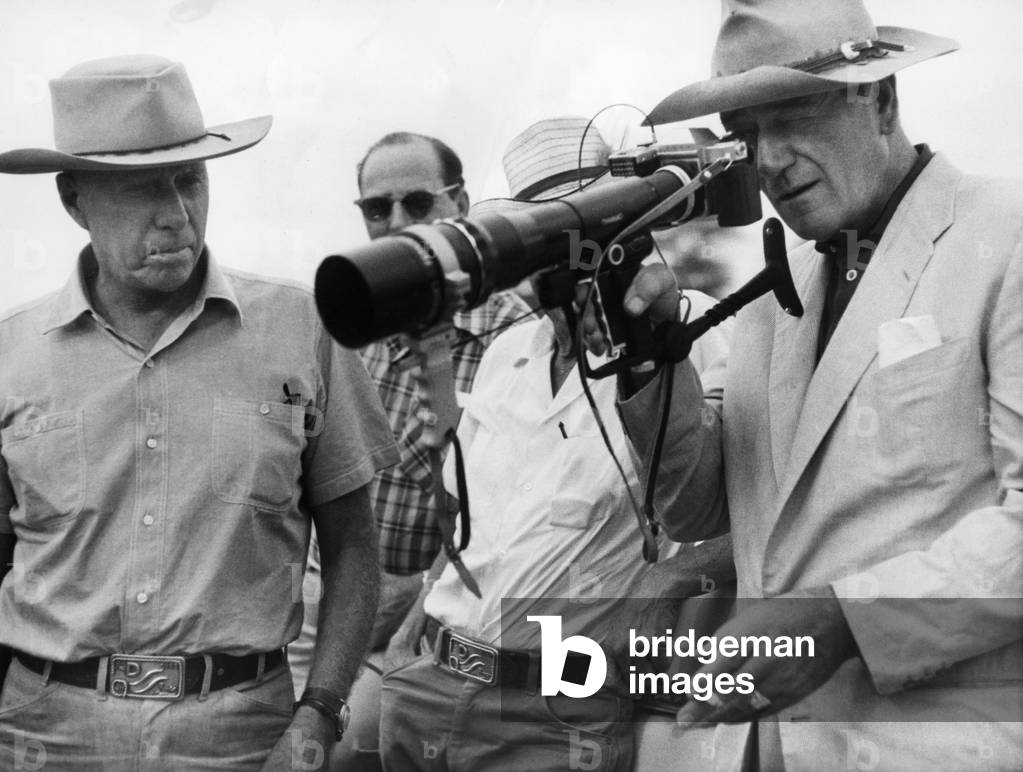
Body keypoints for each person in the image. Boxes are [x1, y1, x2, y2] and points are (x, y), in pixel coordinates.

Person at [601, 1, 1023, 768]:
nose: (767, 159)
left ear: (881, 97)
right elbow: (698, 505)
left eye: (792, 115)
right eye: (746, 133)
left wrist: (843, 620)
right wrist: (649, 356)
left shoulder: (1006, 234)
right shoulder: (776, 290)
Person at [0, 54, 399, 771]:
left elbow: (353, 548)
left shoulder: (302, 329)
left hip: (245, 733)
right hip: (42, 730)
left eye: (189, 181)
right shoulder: (9, 354)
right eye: (141, 190)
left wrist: (320, 717)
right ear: (74, 200)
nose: (176, 216)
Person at [377, 117, 733, 772]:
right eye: (534, 235)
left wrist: (673, 579)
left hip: (559, 712)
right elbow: (469, 529)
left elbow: (752, 510)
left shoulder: (691, 331)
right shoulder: (508, 349)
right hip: (431, 685)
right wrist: (409, 645)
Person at [287, 131, 532, 768]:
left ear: (461, 204)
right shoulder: (347, 329)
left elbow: (504, 522)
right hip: (318, 594)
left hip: (420, 617)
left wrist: (416, 606)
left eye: (418, 204)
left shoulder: (516, 339)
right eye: (376, 209)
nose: (396, 223)